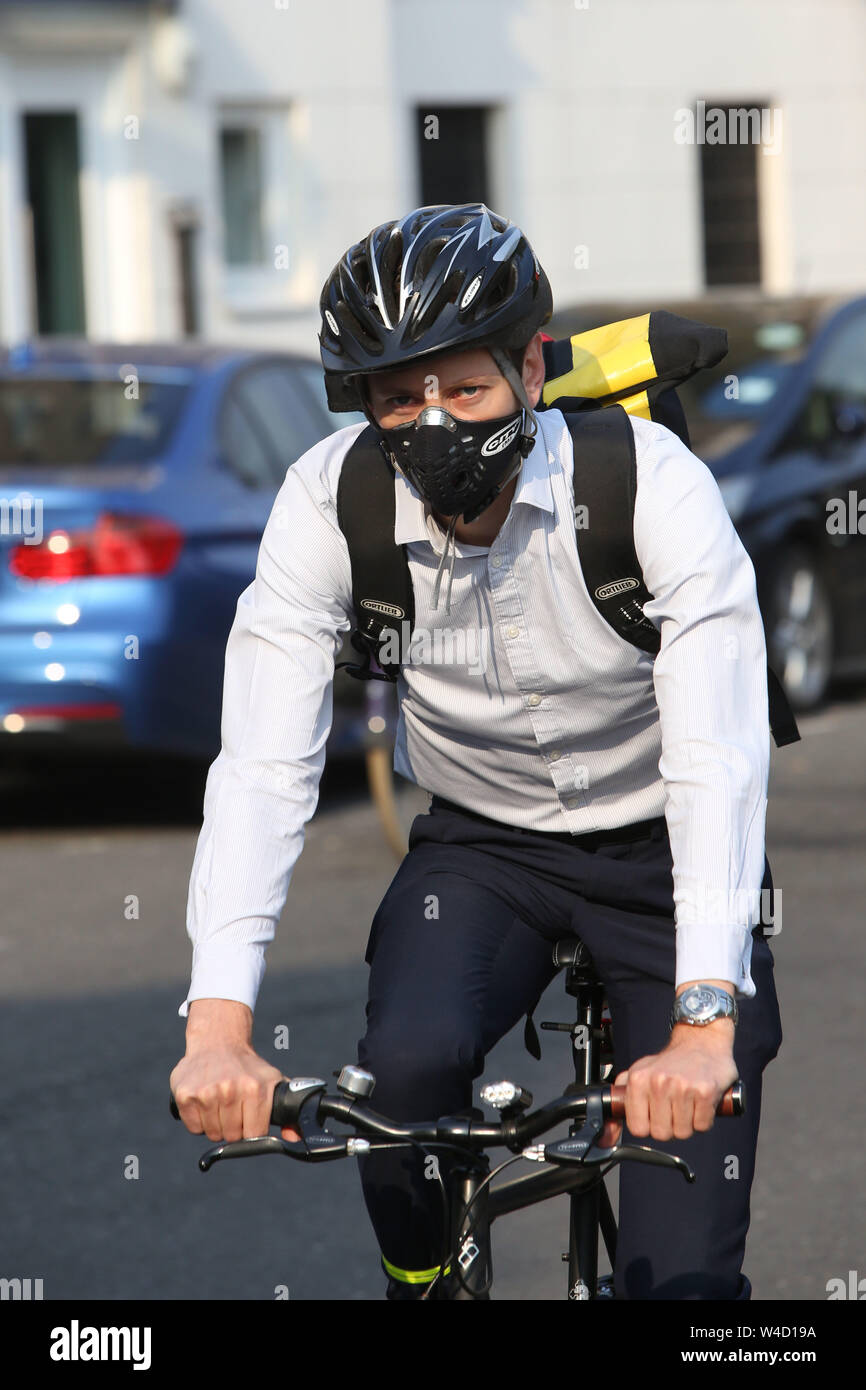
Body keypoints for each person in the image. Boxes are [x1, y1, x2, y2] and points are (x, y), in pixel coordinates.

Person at [171, 202, 783, 1301]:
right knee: (399, 1078)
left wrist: (702, 1024)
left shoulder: (645, 485)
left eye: (465, 388)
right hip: (481, 854)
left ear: (531, 372)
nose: (434, 424)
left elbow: (715, 754)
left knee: (683, 1290)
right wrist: (217, 1022)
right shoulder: (329, 502)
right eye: (400, 398)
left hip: (662, 854)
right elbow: (263, 764)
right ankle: (420, 1275)